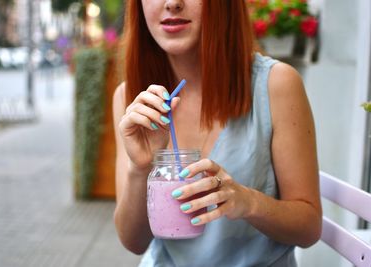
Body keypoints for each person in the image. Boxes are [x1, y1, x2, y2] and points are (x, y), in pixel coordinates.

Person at [112, 1, 322, 266]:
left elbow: (309, 227)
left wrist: (249, 202)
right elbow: (133, 241)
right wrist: (140, 169)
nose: (172, 3)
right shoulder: (131, 98)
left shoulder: (276, 85)